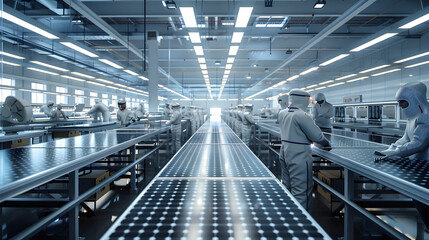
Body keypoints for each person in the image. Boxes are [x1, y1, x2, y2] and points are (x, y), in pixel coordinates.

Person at [374, 82, 429, 231]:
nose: (401, 107)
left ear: (415, 99)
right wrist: (390, 149)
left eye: (403, 103)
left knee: (425, 200)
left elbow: (419, 143)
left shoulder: (426, 115)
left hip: (426, 166)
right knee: (419, 200)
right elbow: (405, 139)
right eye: (399, 103)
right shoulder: (412, 117)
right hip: (418, 165)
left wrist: (397, 152)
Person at [278, 89, 331, 211]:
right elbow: (317, 136)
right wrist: (326, 143)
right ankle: (302, 223)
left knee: (287, 186)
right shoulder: (302, 115)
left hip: (284, 152)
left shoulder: (282, 113)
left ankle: (287, 214)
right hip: (299, 155)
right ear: (303, 99)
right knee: (301, 191)